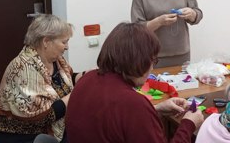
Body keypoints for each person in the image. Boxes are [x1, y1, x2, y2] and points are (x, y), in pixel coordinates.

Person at [66, 22, 204, 143]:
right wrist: (188, 124)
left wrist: (155, 110)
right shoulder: (132, 103)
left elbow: (113, 122)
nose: (152, 68)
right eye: (153, 61)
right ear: (139, 61)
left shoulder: (87, 79)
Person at [0, 14, 85, 143]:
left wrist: (84, 76)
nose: (67, 47)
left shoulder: (54, 60)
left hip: (50, 130)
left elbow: (64, 79)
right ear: (46, 41)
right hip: (24, 136)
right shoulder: (23, 68)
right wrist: (75, 94)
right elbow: (43, 117)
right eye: (64, 42)